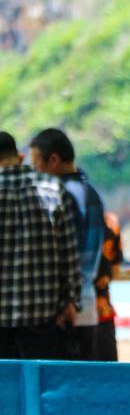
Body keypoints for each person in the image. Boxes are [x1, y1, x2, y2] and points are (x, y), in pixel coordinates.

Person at [0, 131, 81, 360]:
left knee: (4, 391)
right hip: (44, 317)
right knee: (40, 389)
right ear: (20, 156)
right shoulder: (53, 188)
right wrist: (71, 301)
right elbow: (69, 253)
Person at [30, 128, 106, 361]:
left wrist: (66, 300)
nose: (34, 171)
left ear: (53, 160)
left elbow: (67, 254)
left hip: (67, 309)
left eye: (36, 163)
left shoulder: (61, 194)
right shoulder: (90, 191)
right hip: (88, 303)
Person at [94, 211, 124, 361]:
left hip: (70, 315)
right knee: (109, 368)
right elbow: (116, 272)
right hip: (103, 309)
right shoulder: (111, 227)